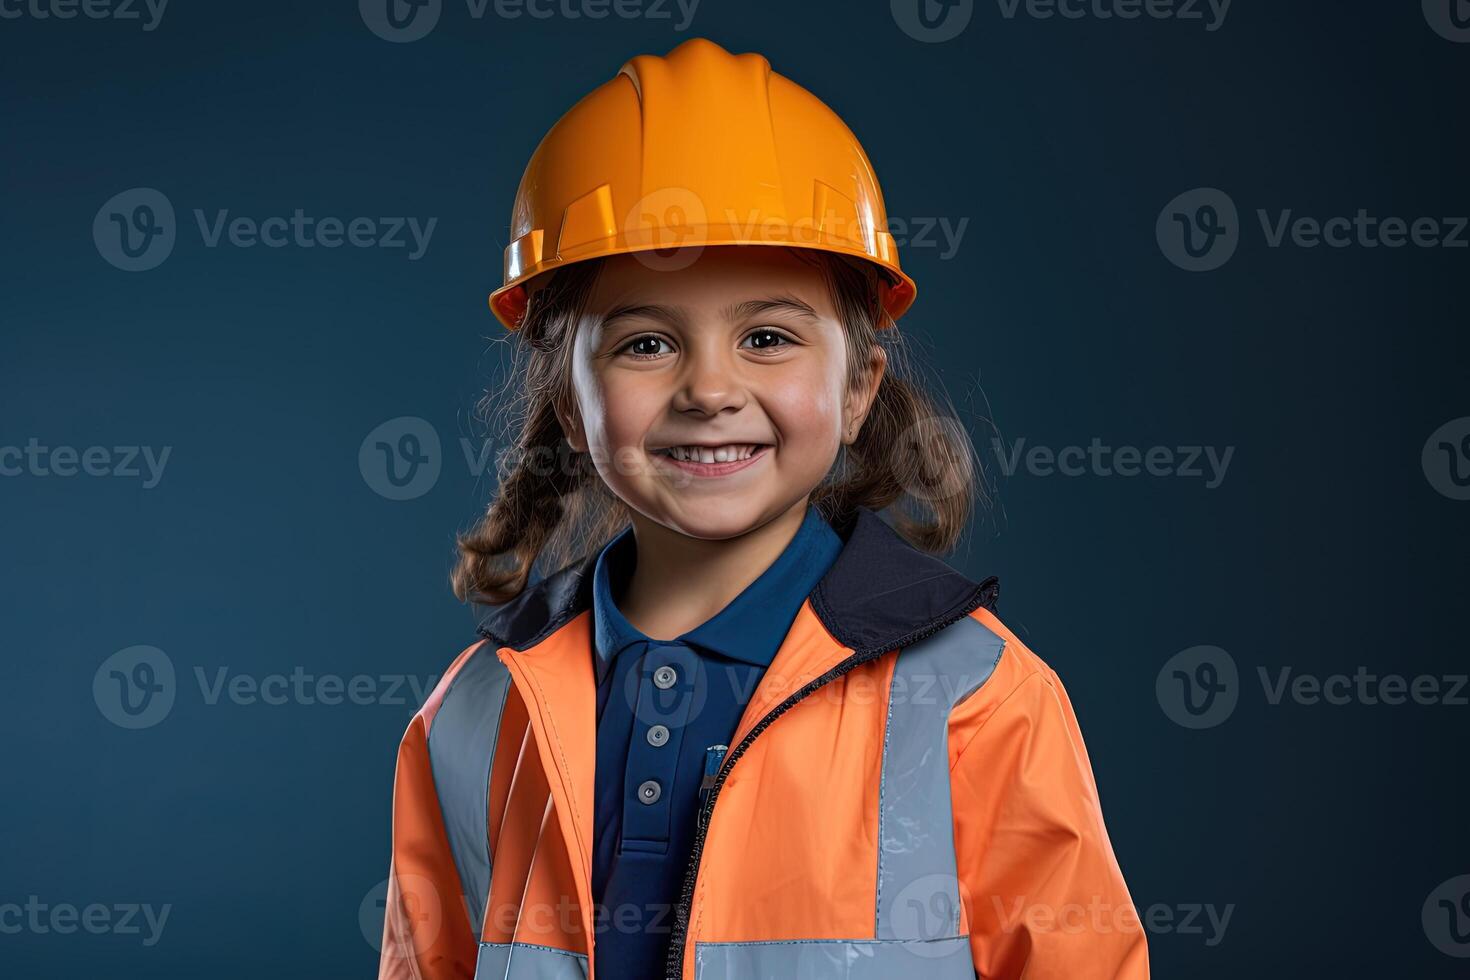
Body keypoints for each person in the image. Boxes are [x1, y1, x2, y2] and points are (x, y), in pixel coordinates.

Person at [377, 37, 1148, 980]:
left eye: (769, 336)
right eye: (647, 344)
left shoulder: (980, 702)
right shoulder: (474, 716)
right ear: (568, 403)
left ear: (859, 387)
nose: (710, 389)